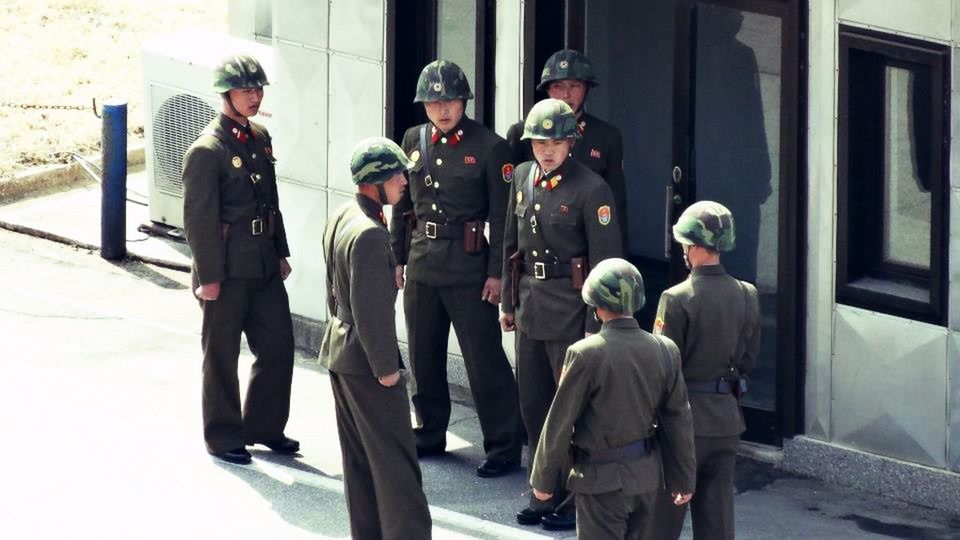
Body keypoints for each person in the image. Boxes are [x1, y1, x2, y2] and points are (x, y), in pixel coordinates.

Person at [389, 59, 522, 478]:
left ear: (464, 100)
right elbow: (402, 208)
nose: (442, 109)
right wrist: (396, 258)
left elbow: (503, 218)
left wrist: (497, 273)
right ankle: (429, 432)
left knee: (484, 361)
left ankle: (503, 445)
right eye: (433, 102)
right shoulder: (413, 139)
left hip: (469, 270)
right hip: (423, 264)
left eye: (450, 101)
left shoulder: (490, 147)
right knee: (424, 356)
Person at [500, 98, 623, 531]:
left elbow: (606, 263)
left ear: (571, 141)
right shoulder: (521, 177)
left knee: (569, 410)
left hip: (573, 313)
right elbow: (510, 246)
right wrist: (507, 304)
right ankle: (542, 490)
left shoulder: (593, 189)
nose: (546, 150)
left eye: (556, 141)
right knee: (533, 406)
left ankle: (573, 499)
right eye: (539, 141)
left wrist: (596, 324)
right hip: (531, 306)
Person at [182, 53, 298, 465]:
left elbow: (271, 200)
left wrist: (280, 251)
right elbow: (198, 221)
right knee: (222, 355)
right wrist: (208, 277)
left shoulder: (259, 136)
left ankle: (264, 426)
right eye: (247, 89)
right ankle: (224, 434)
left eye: (258, 88)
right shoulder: (207, 150)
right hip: (226, 271)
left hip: (263, 264)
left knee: (279, 346)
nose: (255, 95)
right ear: (226, 93)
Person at [530, 258, 696, 539]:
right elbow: (678, 418)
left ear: (596, 306)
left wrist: (543, 480)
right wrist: (683, 477)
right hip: (645, 479)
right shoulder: (665, 349)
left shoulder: (586, 353)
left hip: (600, 481)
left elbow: (560, 421)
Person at [319, 137, 432, 540]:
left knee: (361, 465)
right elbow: (371, 310)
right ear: (374, 182)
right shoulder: (368, 232)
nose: (404, 180)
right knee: (397, 468)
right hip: (368, 364)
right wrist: (387, 370)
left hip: (342, 352)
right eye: (396, 174)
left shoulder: (344, 215)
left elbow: (334, 291)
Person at [650, 200, 761, 540]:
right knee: (717, 521)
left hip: (683, 423)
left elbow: (662, 369)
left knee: (662, 520)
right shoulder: (747, 294)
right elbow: (747, 360)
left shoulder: (676, 297)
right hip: (726, 419)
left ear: (694, 246)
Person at [505, 49, 629, 250]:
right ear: (547, 90)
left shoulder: (606, 136)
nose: (565, 94)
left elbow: (617, 206)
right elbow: (509, 207)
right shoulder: (522, 132)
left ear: (586, 89)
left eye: (574, 86)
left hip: (585, 247)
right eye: (557, 86)